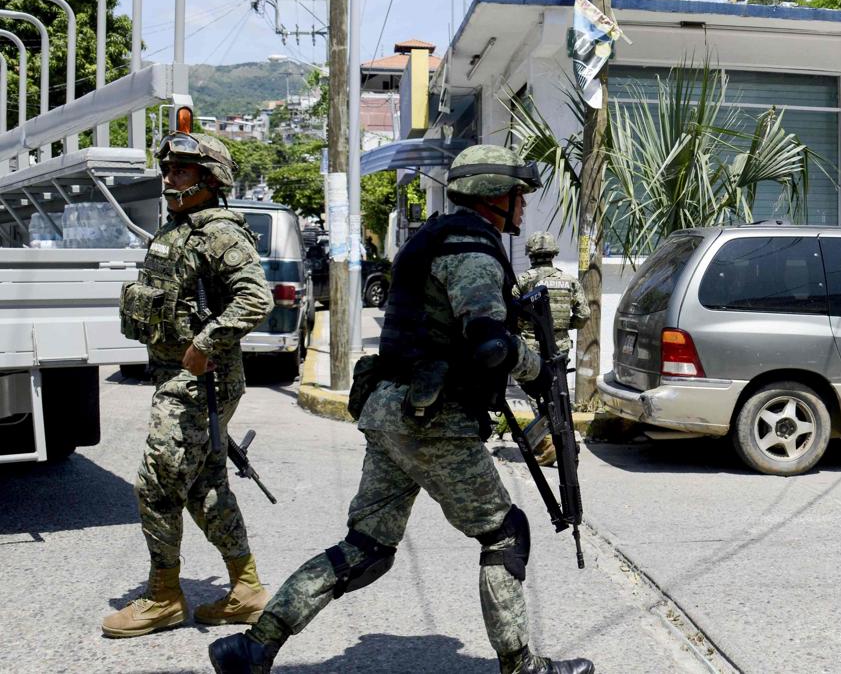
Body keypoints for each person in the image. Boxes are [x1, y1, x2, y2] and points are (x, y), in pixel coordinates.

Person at [208, 145, 594, 674]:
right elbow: (488, 345)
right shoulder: (472, 251)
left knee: (367, 545)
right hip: (433, 421)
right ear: (494, 196)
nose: (524, 206)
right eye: (518, 195)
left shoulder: (432, 236)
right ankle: (521, 665)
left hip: (390, 410)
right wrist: (536, 365)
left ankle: (255, 645)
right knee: (505, 533)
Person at [106, 132, 274, 637]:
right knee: (205, 488)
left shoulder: (219, 234)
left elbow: (254, 299)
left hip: (199, 382)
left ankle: (163, 597)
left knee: (156, 486)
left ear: (210, 178)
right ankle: (247, 590)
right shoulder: (179, 229)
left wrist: (203, 345)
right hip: (176, 378)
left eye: (182, 169)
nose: (169, 176)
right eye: (169, 168)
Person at [515, 231, 589, 466]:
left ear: (531, 254)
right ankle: (565, 443)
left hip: (532, 347)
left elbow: (510, 312)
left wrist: (523, 328)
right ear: (554, 254)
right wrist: (564, 326)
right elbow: (583, 314)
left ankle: (549, 443)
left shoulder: (524, 280)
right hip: (560, 348)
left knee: (538, 395)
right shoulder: (569, 280)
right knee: (559, 394)